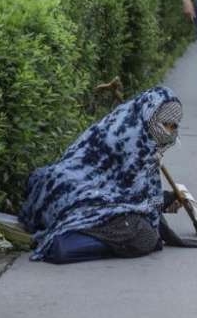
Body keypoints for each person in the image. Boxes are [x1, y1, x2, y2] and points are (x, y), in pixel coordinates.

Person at [19, 87, 182, 264]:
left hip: (57, 191)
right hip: (79, 200)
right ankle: (66, 244)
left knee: (143, 224)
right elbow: (128, 198)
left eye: (173, 127)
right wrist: (161, 205)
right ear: (150, 115)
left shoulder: (121, 121)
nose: (168, 132)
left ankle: (67, 236)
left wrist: (165, 201)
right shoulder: (134, 142)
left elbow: (123, 188)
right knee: (145, 236)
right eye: (164, 124)